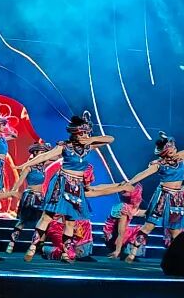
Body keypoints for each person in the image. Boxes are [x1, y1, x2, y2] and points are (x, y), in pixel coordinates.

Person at [18, 111, 115, 263]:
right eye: (82, 133)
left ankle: (65, 252)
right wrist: (25, 165)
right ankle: (32, 247)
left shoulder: (89, 146)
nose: (84, 136)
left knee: (70, 221)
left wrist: (91, 139)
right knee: (47, 216)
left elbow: (110, 139)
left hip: (76, 187)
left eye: (86, 133)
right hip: (62, 183)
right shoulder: (65, 146)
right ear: (75, 134)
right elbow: (45, 156)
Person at [121, 132, 184, 261]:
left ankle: (179, 258)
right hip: (163, 197)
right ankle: (132, 252)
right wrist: (129, 182)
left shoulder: (181, 158)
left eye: (174, 148)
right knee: (149, 226)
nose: (173, 150)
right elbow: (143, 174)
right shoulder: (159, 164)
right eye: (170, 149)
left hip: (176, 199)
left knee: (175, 231)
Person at [6, 140, 54, 253]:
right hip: (30, 197)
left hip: (40, 197)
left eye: (44, 153)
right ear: (35, 153)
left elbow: (55, 156)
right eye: (41, 152)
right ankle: (11, 244)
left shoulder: (43, 165)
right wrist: (12, 192)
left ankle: (39, 246)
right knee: (23, 221)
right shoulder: (29, 167)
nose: (43, 155)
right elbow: (19, 182)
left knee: (43, 221)